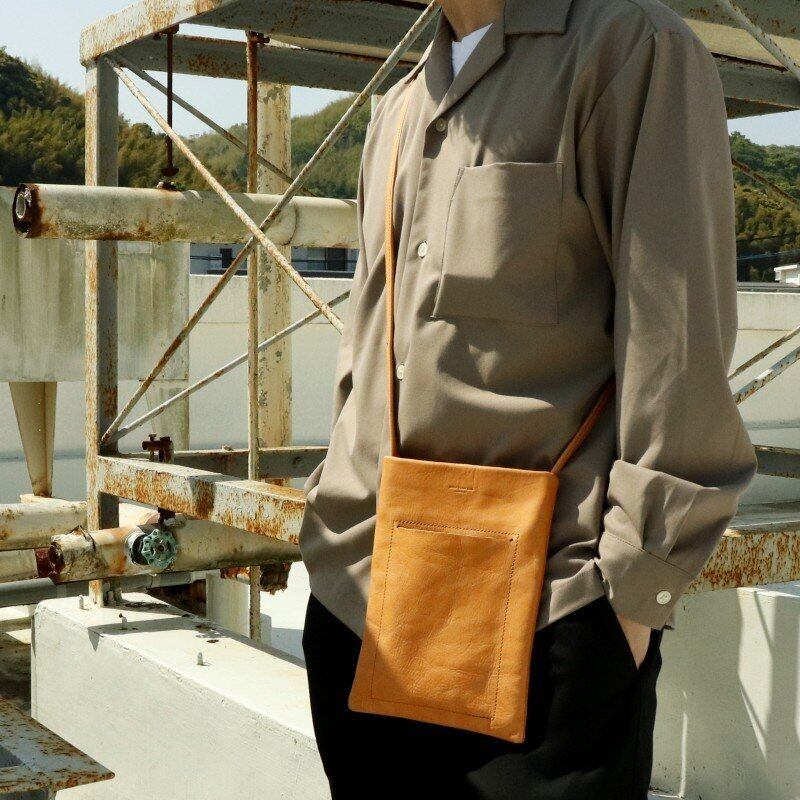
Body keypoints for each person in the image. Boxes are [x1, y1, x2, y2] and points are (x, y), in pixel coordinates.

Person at [298, 0, 757, 796]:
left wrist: (628, 605)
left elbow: (677, 344)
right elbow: (366, 348)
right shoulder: (400, 104)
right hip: (359, 605)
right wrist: (329, 530)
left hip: (551, 623)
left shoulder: (631, 50)